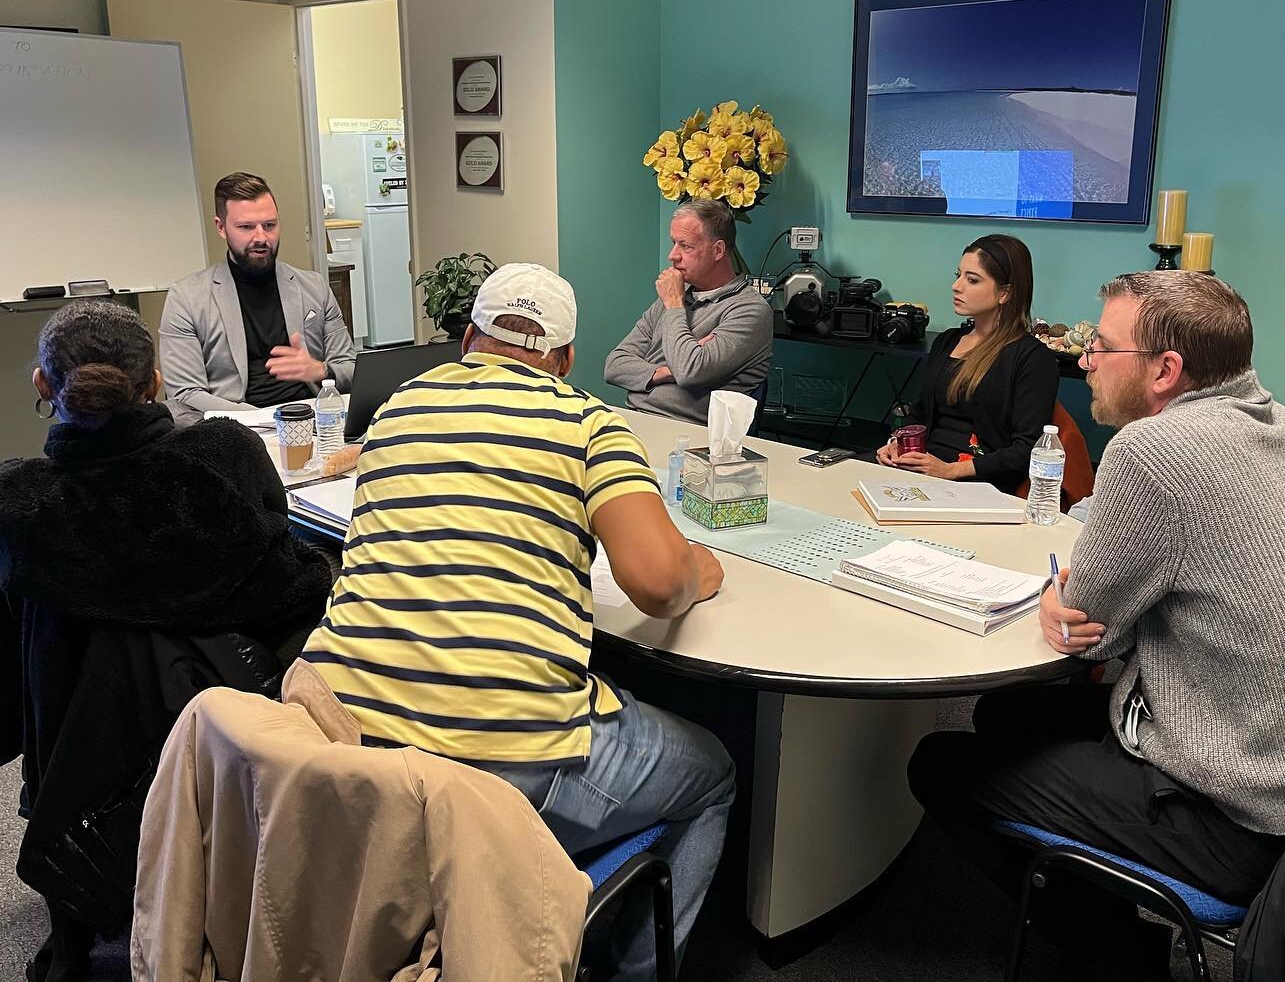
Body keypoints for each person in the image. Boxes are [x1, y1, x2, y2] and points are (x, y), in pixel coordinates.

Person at [908, 271, 1285, 981]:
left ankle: (1117, 959)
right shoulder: (1272, 420)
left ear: (1167, 370)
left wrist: (1062, 602)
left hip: (1236, 817)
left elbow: (1088, 628)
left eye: (1102, 348)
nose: (1083, 362)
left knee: (937, 763)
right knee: (1008, 709)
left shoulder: (1153, 451)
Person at [302, 263, 735, 982]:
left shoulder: (399, 406)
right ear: (565, 362)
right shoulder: (587, 421)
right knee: (713, 772)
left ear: (469, 338)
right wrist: (699, 569)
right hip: (496, 765)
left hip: (342, 745)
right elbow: (659, 586)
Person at [0, 300, 331, 982]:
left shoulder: (18, 506)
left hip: (75, 763)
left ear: (42, 385)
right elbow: (291, 590)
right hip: (218, 747)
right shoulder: (226, 455)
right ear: (154, 383)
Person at [160, 171, 356, 425]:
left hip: (314, 418)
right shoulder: (186, 298)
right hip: (237, 427)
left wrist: (320, 371)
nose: (261, 237)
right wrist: (263, 419)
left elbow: (351, 368)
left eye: (269, 225)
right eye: (246, 227)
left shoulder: (313, 286)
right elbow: (185, 393)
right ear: (221, 227)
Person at [877, 233, 1057, 493]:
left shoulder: (1032, 358)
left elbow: (1026, 450)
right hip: (925, 471)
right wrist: (897, 443)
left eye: (972, 280)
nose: (956, 286)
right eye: (958, 275)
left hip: (978, 483)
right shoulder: (947, 342)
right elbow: (918, 414)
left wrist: (949, 471)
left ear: (1005, 293)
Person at [604, 197, 771, 423]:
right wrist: (665, 372)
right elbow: (614, 365)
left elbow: (690, 372)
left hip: (688, 433)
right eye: (673, 243)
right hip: (633, 418)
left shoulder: (749, 310)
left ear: (718, 250)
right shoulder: (673, 296)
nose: (672, 255)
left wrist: (674, 305)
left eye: (685, 246)